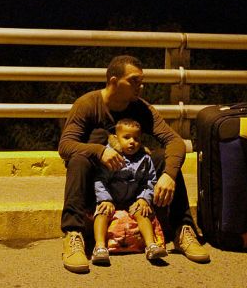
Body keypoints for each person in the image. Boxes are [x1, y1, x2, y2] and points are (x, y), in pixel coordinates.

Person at [59, 55, 210, 274]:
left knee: (163, 158)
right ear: (113, 81)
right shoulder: (88, 104)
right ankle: (73, 234)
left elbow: (175, 141)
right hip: (98, 188)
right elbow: (65, 146)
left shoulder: (141, 108)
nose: (141, 85)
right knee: (78, 160)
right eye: (134, 81)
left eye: (141, 80)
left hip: (135, 185)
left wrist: (168, 174)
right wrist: (99, 151)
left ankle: (182, 230)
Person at [92, 118, 167, 265]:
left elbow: (149, 181)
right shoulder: (111, 157)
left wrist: (144, 199)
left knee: (143, 212)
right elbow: (100, 179)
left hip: (133, 199)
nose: (132, 142)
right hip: (111, 199)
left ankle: (151, 245)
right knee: (101, 213)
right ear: (116, 138)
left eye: (136, 138)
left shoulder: (145, 159)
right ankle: (100, 247)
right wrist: (105, 199)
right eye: (126, 138)